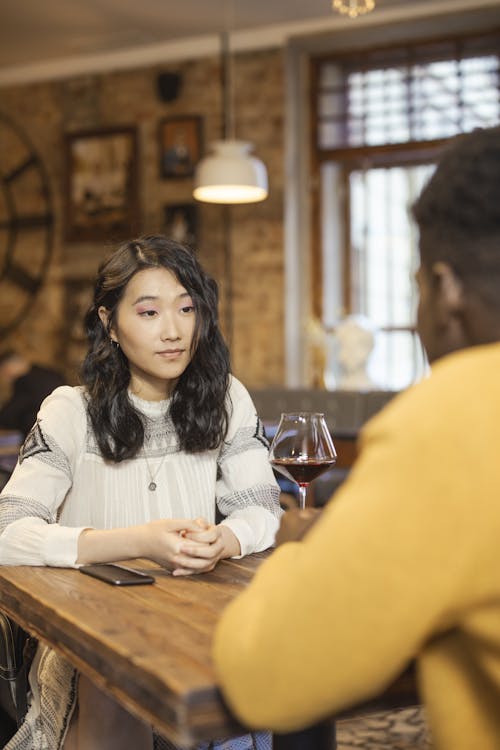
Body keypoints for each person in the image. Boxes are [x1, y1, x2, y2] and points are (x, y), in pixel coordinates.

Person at [212, 125, 500, 750]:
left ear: (446, 289)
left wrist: (297, 551)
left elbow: (268, 676)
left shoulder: (455, 416)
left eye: (417, 285)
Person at [0, 236, 281, 750]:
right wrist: (138, 542)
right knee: (117, 685)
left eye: (187, 308)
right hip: (90, 638)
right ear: (109, 322)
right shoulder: (69, 411)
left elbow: (261, 510)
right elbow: (7, 535)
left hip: (194, 622)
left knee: (252, 669)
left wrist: (227, 540)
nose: (174, 331)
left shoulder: (224, 399)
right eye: (149, 312)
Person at [0, 350, 66, 438]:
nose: (5, 377)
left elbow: (10, 414)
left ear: (7, 367)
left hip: (42, 436)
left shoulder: (23, 381)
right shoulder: (51, 373)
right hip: (63, 428)